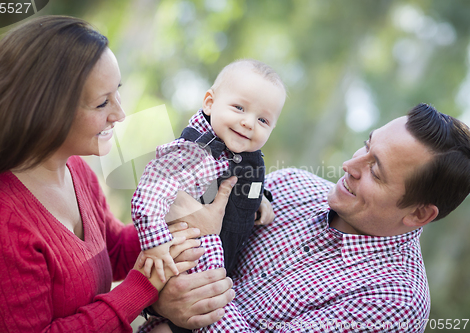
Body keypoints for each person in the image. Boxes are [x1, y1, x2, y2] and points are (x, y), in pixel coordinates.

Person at [0, 15, 235, 332]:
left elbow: (114, 250)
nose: (120, 114)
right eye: (101, 103)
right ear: (45, 109)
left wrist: (182, 220)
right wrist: (141, 290)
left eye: (117, 92)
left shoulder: (75, 170)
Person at [140, 103, 470, 332]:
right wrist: (159, 303)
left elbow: (198, 236)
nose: (350, 166)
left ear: (419, 213)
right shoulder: (291, 185)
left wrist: (204, 248)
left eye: (376, 171)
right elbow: (163, 243)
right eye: (366, 146)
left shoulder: (396, 301)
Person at [131, 59, 286, 284]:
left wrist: (258, 199)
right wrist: (155, 244)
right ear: (210, 103)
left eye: (263, 120)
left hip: (224, 266)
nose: (249, 123)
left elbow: (234, 181)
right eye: (239, 108)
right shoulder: (193, 153)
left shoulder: (245, 157)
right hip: (183, 268)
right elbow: (149, 194)